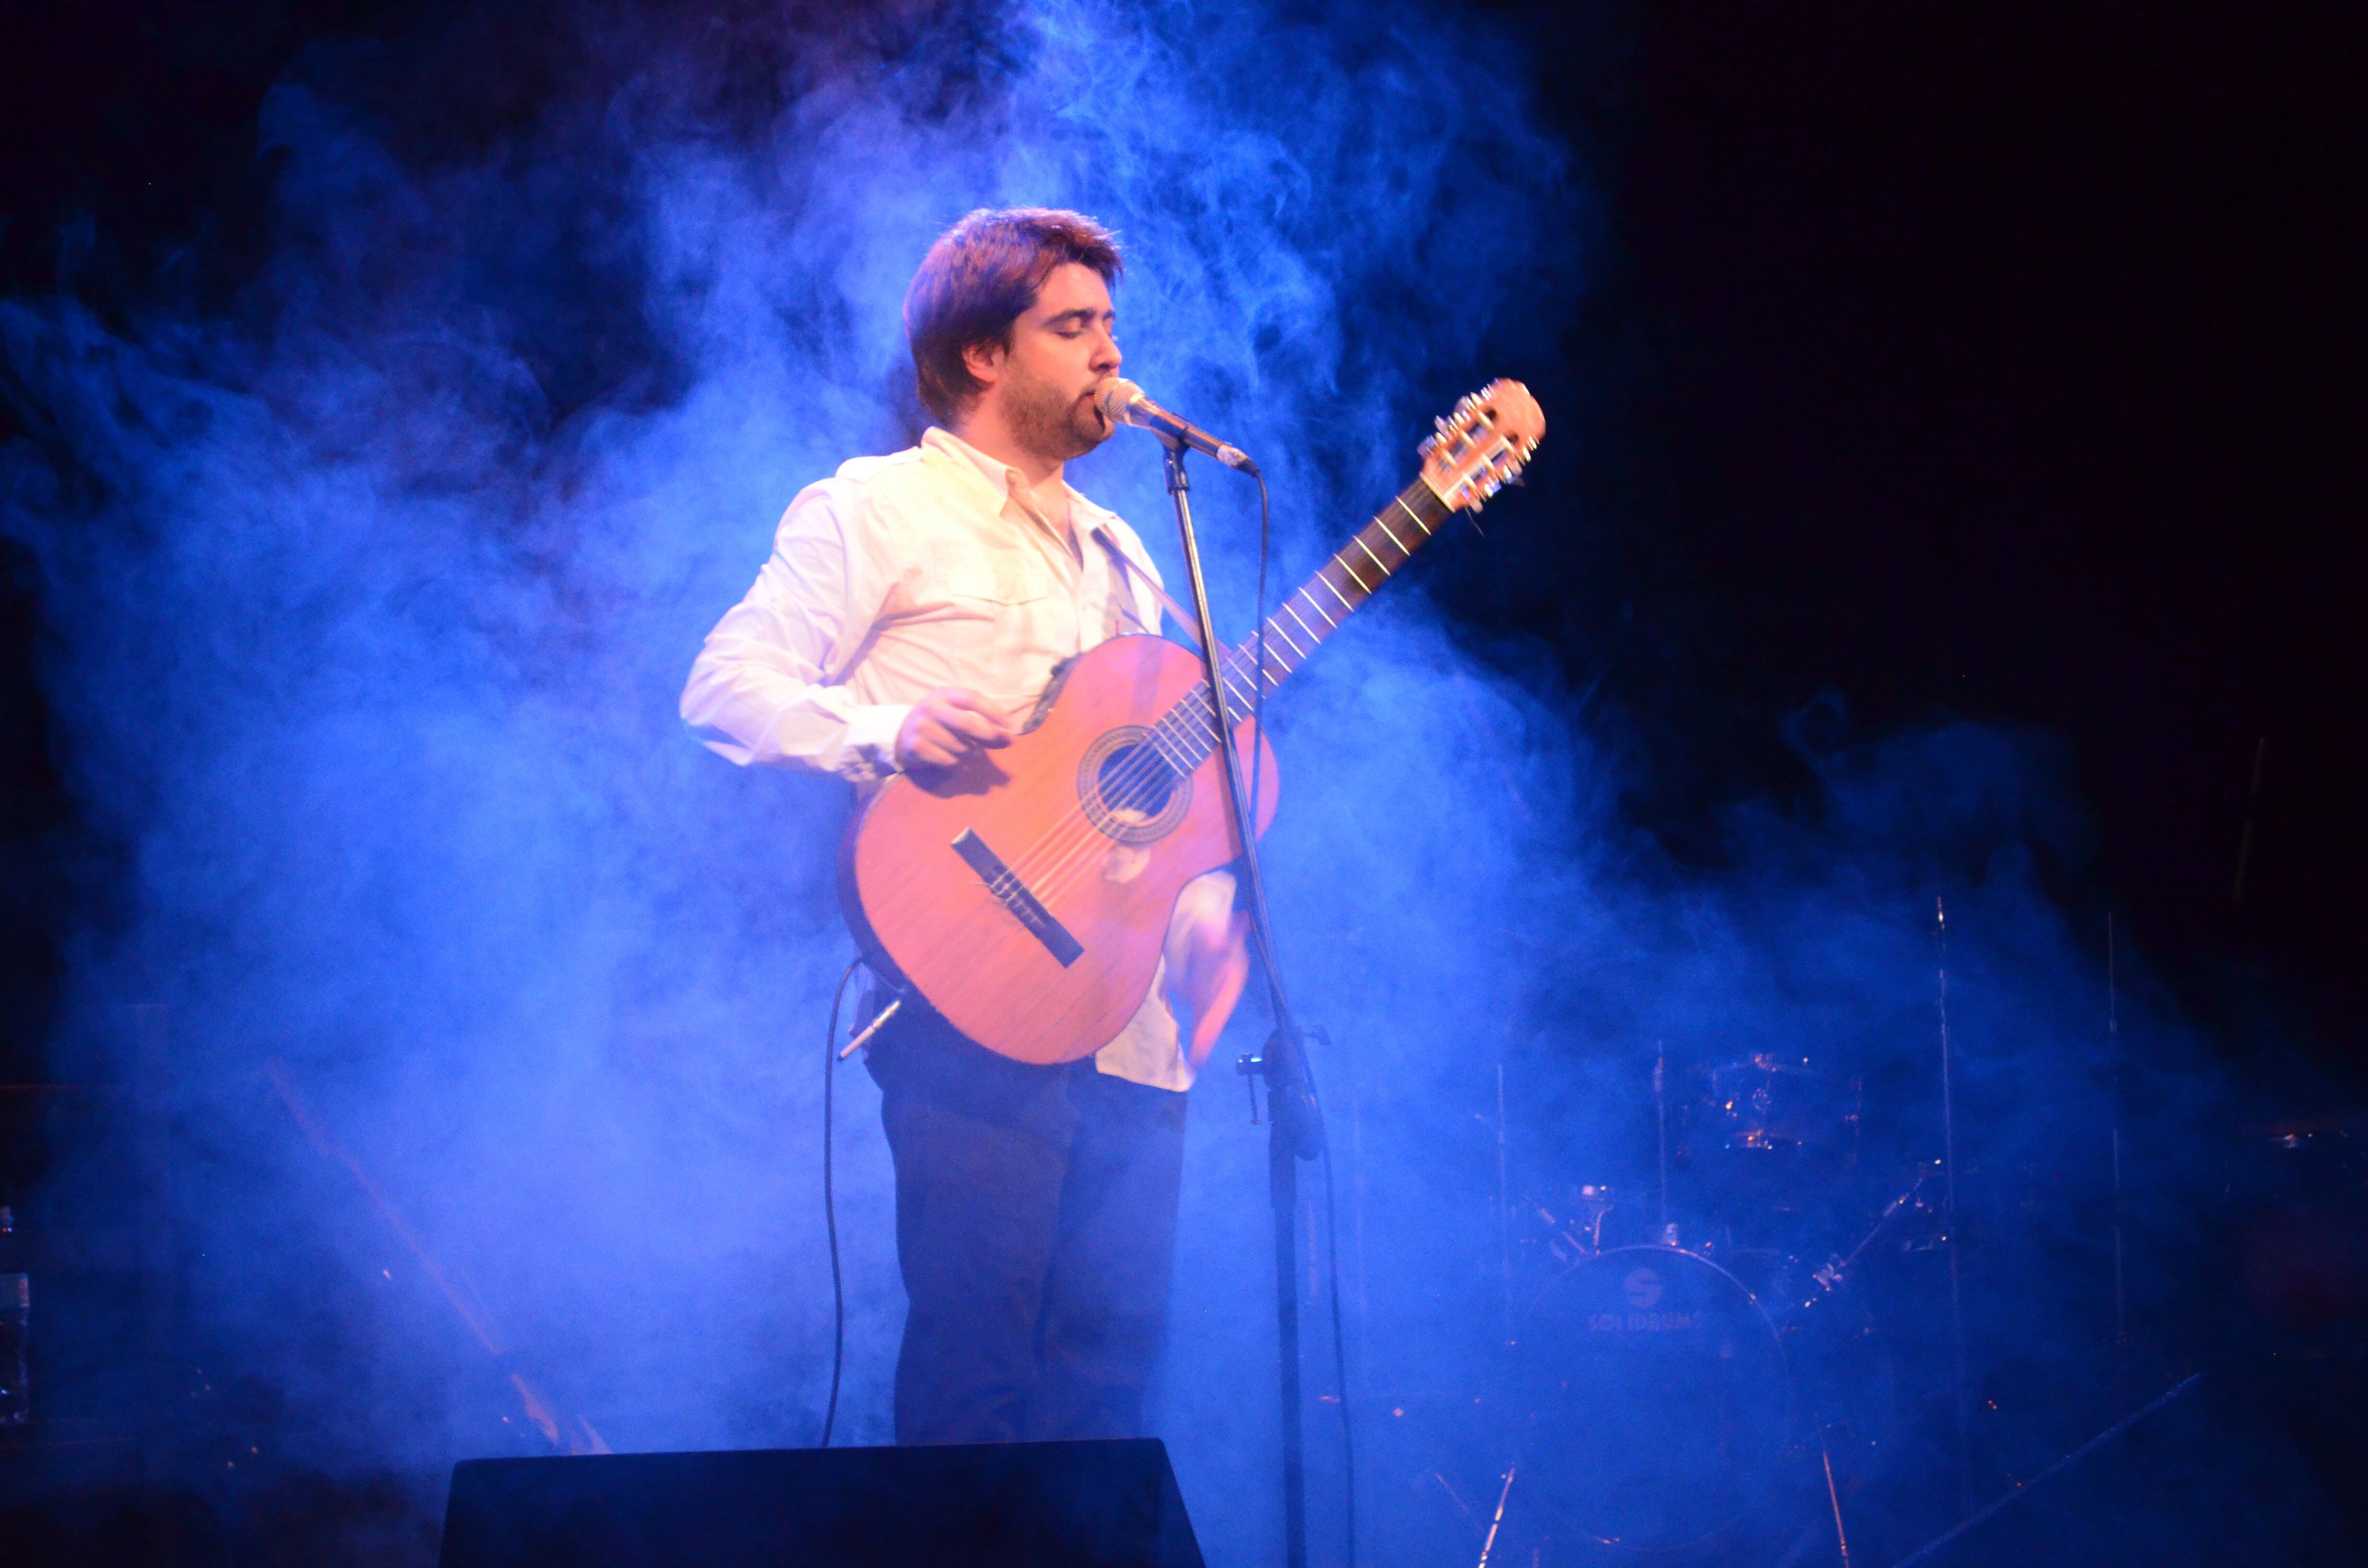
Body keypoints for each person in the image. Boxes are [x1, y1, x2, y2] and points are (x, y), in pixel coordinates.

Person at [680, 208, 1251, 1445]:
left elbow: (1148, 788)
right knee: (978, 1384)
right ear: (983, 355)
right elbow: (723, 688)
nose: (1111, 354)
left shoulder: (1128, 553)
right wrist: (886, 735)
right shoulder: (877, 508)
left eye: (1111, 325)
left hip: (1135, 1026)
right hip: (975, 1005)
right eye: (1074, 326)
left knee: (1106, 1398)